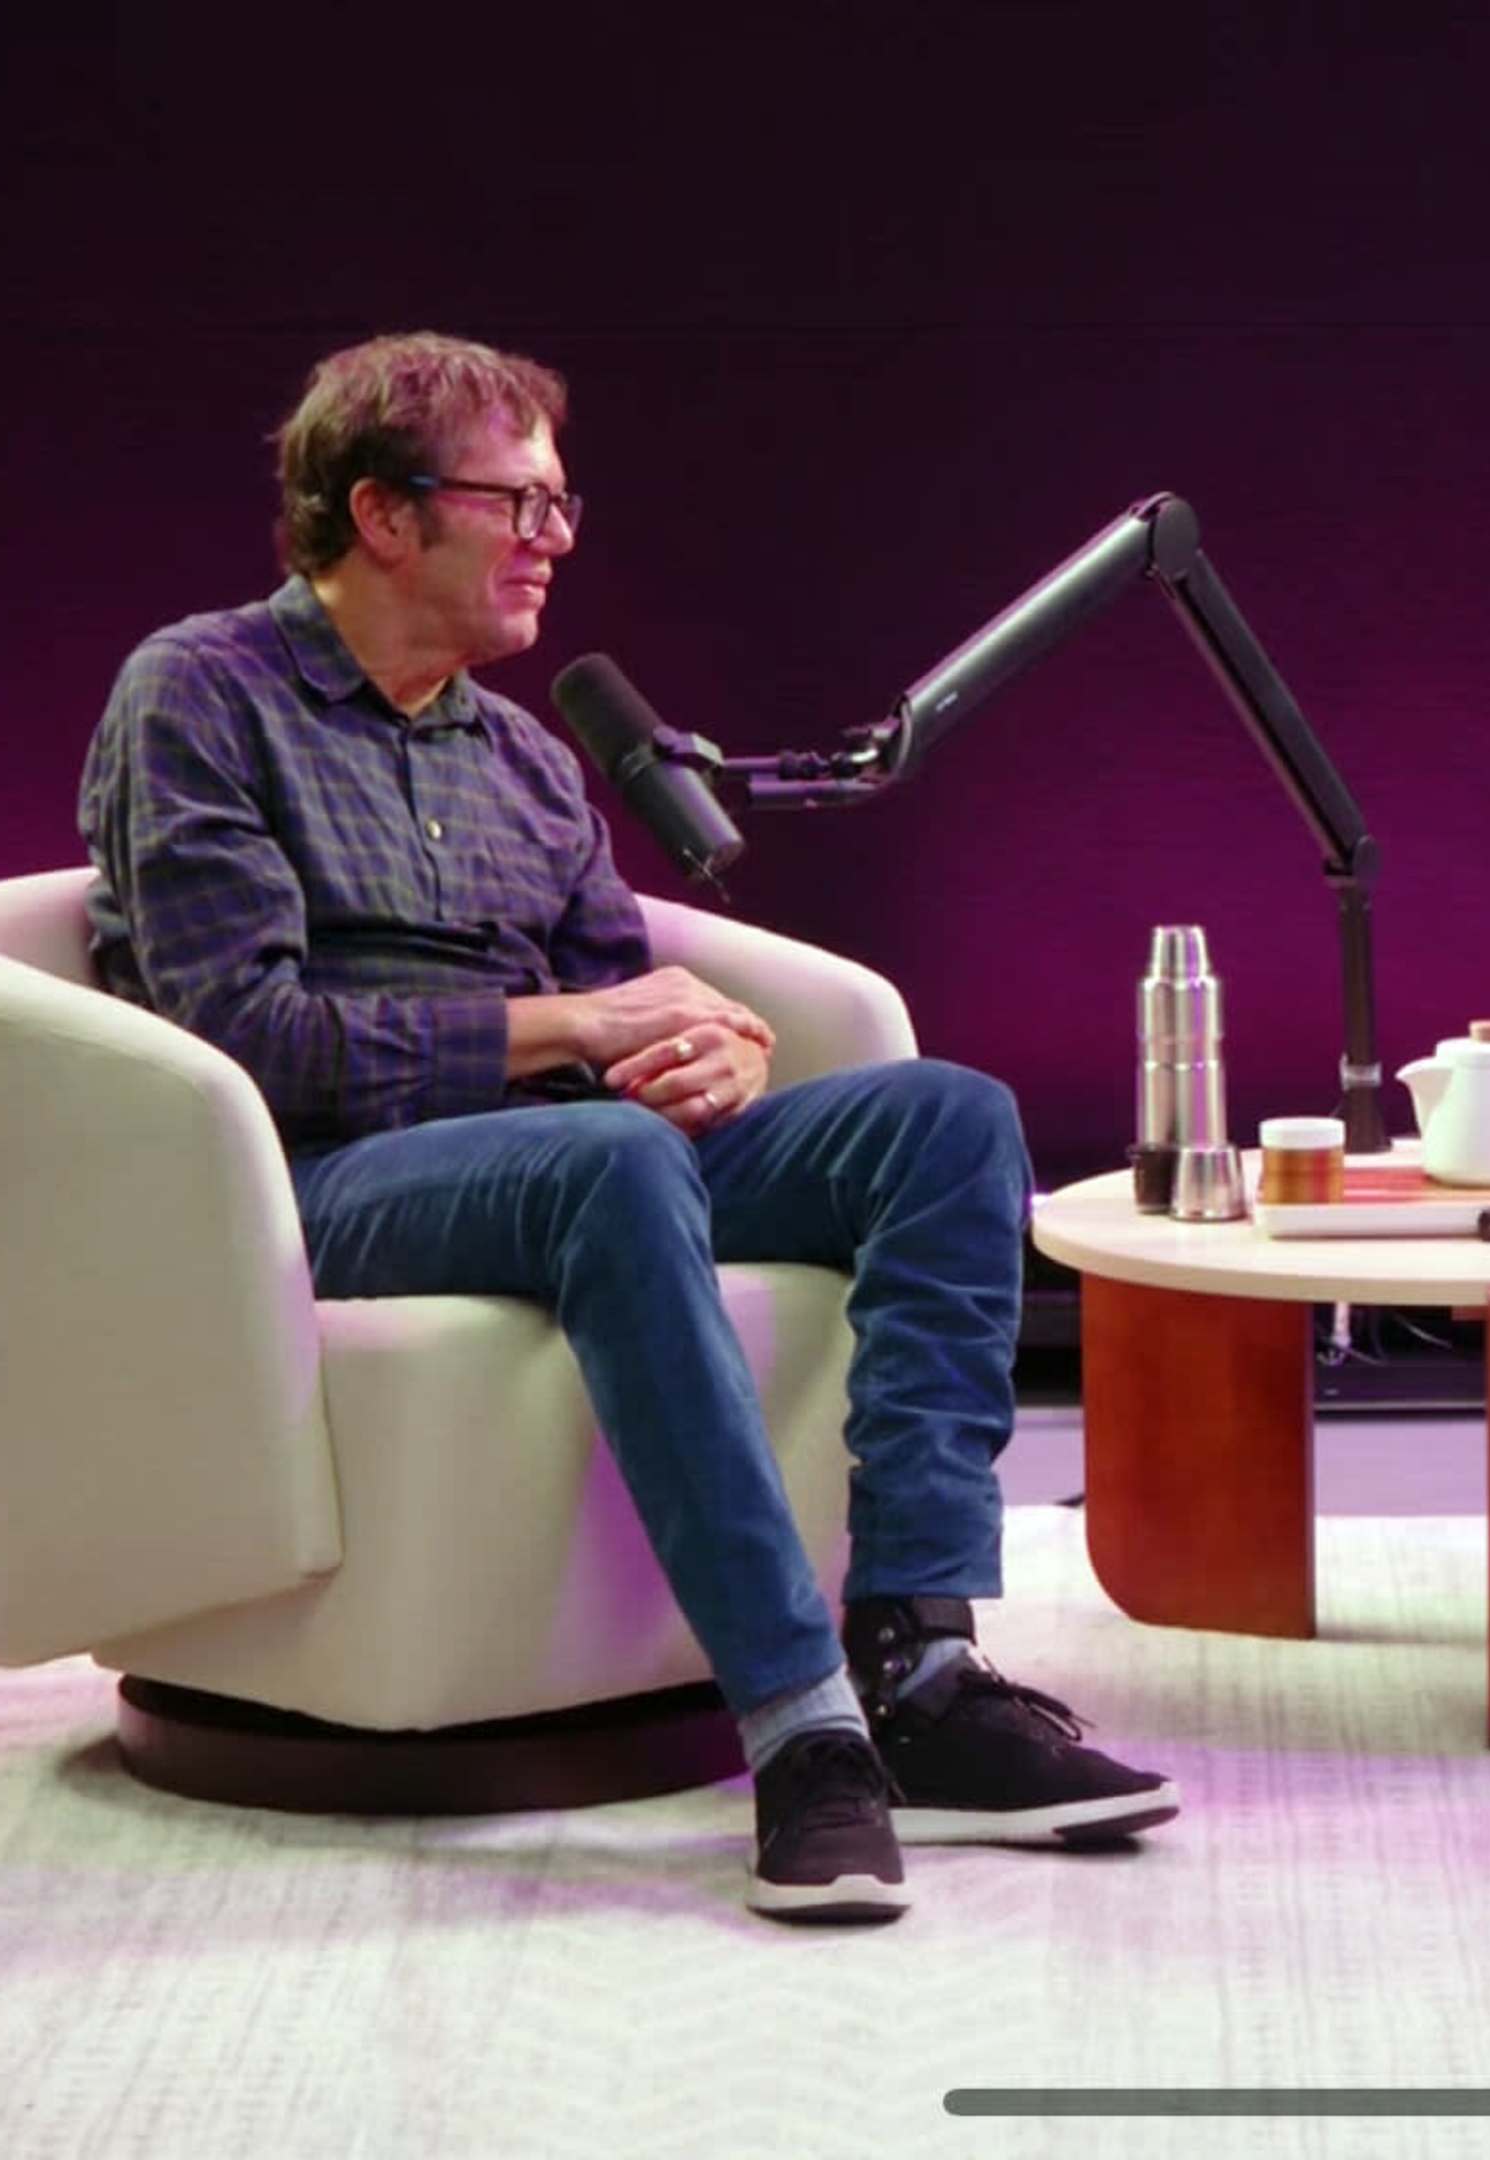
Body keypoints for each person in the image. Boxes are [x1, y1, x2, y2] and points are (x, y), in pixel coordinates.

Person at [78, 332, 1175, 1925]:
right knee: (608, 1152)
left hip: (575, 1155)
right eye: (516, 505)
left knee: (943, 1122)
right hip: (315, 1180)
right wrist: (583, 1039)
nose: (553, 541)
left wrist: (704, 1050)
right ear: (382, 516)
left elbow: (617, 995)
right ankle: (802, 1725)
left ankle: (924, 1672)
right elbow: (244, 1036)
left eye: (560, 505)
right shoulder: (202, 694)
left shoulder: (520, 755)